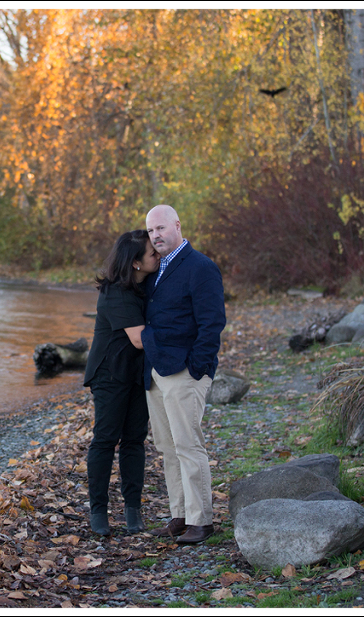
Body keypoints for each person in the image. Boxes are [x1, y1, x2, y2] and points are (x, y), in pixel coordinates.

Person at [141, 204, 226, 544]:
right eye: (150, 231)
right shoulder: (156, 269)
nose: (156, 235)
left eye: (161, 228)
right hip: (156, 371)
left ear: (177, 225)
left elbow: (212, 322)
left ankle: (201, 520)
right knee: (167, 446)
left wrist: (197, 368)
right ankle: (180, 514)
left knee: (188, 444)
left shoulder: (201, 267)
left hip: (184, 372)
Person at [83, 230, 160, 536]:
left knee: (134, 439)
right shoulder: (116, 292)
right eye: (152, 253)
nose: (158, 255)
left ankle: (132, 509)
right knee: (105, 439)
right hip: (110, 373)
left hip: (137, 372)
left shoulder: (146, 286)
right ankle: (98, 511)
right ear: (136, 263)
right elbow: (140, 339)